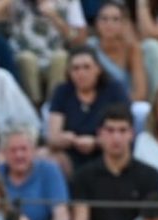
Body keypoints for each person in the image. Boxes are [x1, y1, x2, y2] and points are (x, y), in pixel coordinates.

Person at [70, 104, 158, 220]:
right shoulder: (83, 176)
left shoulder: (151, 176)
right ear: (99, 134)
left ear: (132, 134)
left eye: (122, 130)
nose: (116, 137)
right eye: (110, 130)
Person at [47, 45, 131, 176]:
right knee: (45, 158)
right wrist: (65, 139)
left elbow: (124, 129)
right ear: (69, 72)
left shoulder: (114, 90)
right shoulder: (62, 91)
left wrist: (97, 142)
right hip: (71, 154)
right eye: (75, 68)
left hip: (106, 153)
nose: (81, 73)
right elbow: (52, 137)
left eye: (86, 67)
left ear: (98, 69)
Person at [8, 0, 87, 107]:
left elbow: (79, 41)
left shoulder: (69, 2)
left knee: (61, 57)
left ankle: (53, 106)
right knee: (27, 58)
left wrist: (55, 17)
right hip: (24, 53)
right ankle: (34, 106)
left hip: (53, 55)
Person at [0, 126, 70, 220]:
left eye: (24, 149)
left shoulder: (49, 170)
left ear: (33, 151)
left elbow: (60, 213)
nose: (19, 155)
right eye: (13, 150)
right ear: (4, 154)